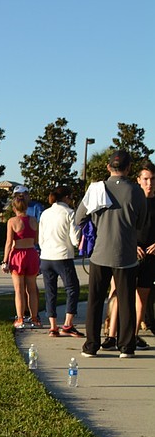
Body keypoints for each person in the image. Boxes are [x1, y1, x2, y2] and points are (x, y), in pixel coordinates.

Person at [75, 149, 147, 358]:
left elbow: (79, 218)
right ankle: (126, 346)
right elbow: (140, 223)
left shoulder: (97, 189)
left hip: (100, 254)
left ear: (108, 167)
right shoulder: (135, 191)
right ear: (128, 168)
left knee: (95, 301)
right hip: (126, 255)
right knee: (126, 302)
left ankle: (91, 345)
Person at [38, 185, 82, 337]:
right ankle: (68, 324)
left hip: (46, 256)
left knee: (50, 291)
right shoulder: (70, 213)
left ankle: (52, 326)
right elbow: (75, 239)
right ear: (66, 198)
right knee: (72, 288)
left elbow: (41, 238)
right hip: (62, 256)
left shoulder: (45, 213)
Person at [2, 193, 41, 329]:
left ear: (14, 208)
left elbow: (8, 242)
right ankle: (35, 318)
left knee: (19, 290)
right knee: (32, 289)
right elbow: (36, 240)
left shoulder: (12, 221)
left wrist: (5, 260)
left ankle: (20, 319)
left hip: (18, 254)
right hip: (31, 253)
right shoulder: (34, 220)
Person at [133, 159, 155, 348]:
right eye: (146, 179)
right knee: (122, 295)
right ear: (139, 180)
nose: (149, 183)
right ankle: (114, 333)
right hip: (131, 254)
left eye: (153, 179)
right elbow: (123, 227)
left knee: (143, 297)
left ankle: (134, 334)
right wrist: (132, 245)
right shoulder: (133, 201)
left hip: (150, 257)